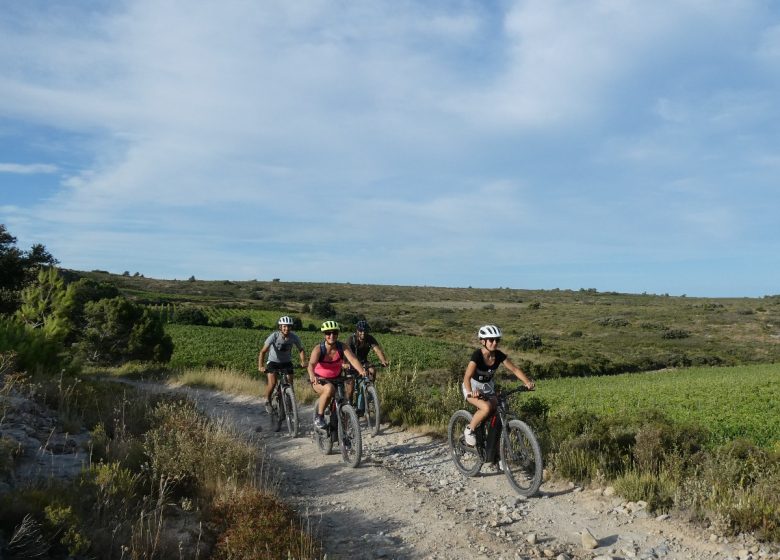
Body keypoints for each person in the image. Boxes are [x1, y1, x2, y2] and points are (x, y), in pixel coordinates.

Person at [462, 324, 534, 447]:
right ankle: (470, 429)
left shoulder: (499, 355)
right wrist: (470, 392)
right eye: (491, 340)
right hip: (472, 386)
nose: (495, 343)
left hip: (488, 387)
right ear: (483, 341)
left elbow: (515, 369)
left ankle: (494, 447)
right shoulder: (477, 356)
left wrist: (527, 382)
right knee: (486, 408)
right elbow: (467, 377)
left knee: (498, 407)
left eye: (497, 340)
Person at [308, 320, 368, 429]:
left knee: (343, 403)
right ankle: (319, 416)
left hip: (337, 378)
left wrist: (361, 371)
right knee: (329, 389)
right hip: (319, 379)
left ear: (338, 334)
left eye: (334, 333)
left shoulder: (342, 347)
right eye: (328, 333)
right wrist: (312, 376)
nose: (331, 336)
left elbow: (353, 360)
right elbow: (311, 365)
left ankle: (343, 434)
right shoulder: (318, 349)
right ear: (324, 334)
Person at [259, 316, 306, 413]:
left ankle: (289, 402)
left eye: (289, 326)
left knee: (290, 383)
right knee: (272, 383)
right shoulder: (274, 336)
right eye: (284, 326)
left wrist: (303, 361)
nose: (287, 328)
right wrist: (261, 366)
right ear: (280, 327)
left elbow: (301, 349)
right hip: (273, 362)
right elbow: (263, 351)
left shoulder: (294, 337)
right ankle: (268, 401)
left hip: (286, 362)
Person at [345, 320, 389, 414]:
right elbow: (346, 353)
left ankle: (369, 390)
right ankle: (349, 404)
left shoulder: (370, 338)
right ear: (357, 330)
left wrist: (383, 360)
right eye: (360, 331)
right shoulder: (351, 339)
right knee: (351, 387)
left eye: (365, 331)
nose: (363, 333)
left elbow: (377, 350)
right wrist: (346, 364)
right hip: (351, 363)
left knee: (372, 370)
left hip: (363, 362)